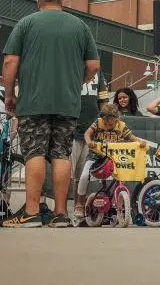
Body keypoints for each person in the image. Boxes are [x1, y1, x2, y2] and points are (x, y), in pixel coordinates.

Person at [1, 0, 101, 228]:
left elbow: (10, 60)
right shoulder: (80, 26)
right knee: (61, 153)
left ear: (38, 3)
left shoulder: (26, 23)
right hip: (67, 102)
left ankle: (32, 212)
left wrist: (9, 94)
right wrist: (77, 82)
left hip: (33, 101)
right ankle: (60, 214)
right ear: (61, 2)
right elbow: (94, 65)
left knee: (34, 152)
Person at [78, 104, 147, 204]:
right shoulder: (98, 122)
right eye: (105, 124)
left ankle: (117, 203)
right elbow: (87, 133)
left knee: (121, 177)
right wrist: (89, 142)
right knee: (84, 176)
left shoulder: (121, 126)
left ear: (117, 119)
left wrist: (140, 142)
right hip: (96, 155)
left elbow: (132, 138)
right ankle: (79, 203)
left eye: (110, 125)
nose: (107, 126)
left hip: (114, 156)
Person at [72, 69, 109, 219]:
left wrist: (106, 124)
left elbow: (104, 102)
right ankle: (65, 210)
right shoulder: (69, 68)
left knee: (84, 173)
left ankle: (82, 207)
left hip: (92, 131)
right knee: (69, 173)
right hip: (70, 129)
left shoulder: (98, 73)